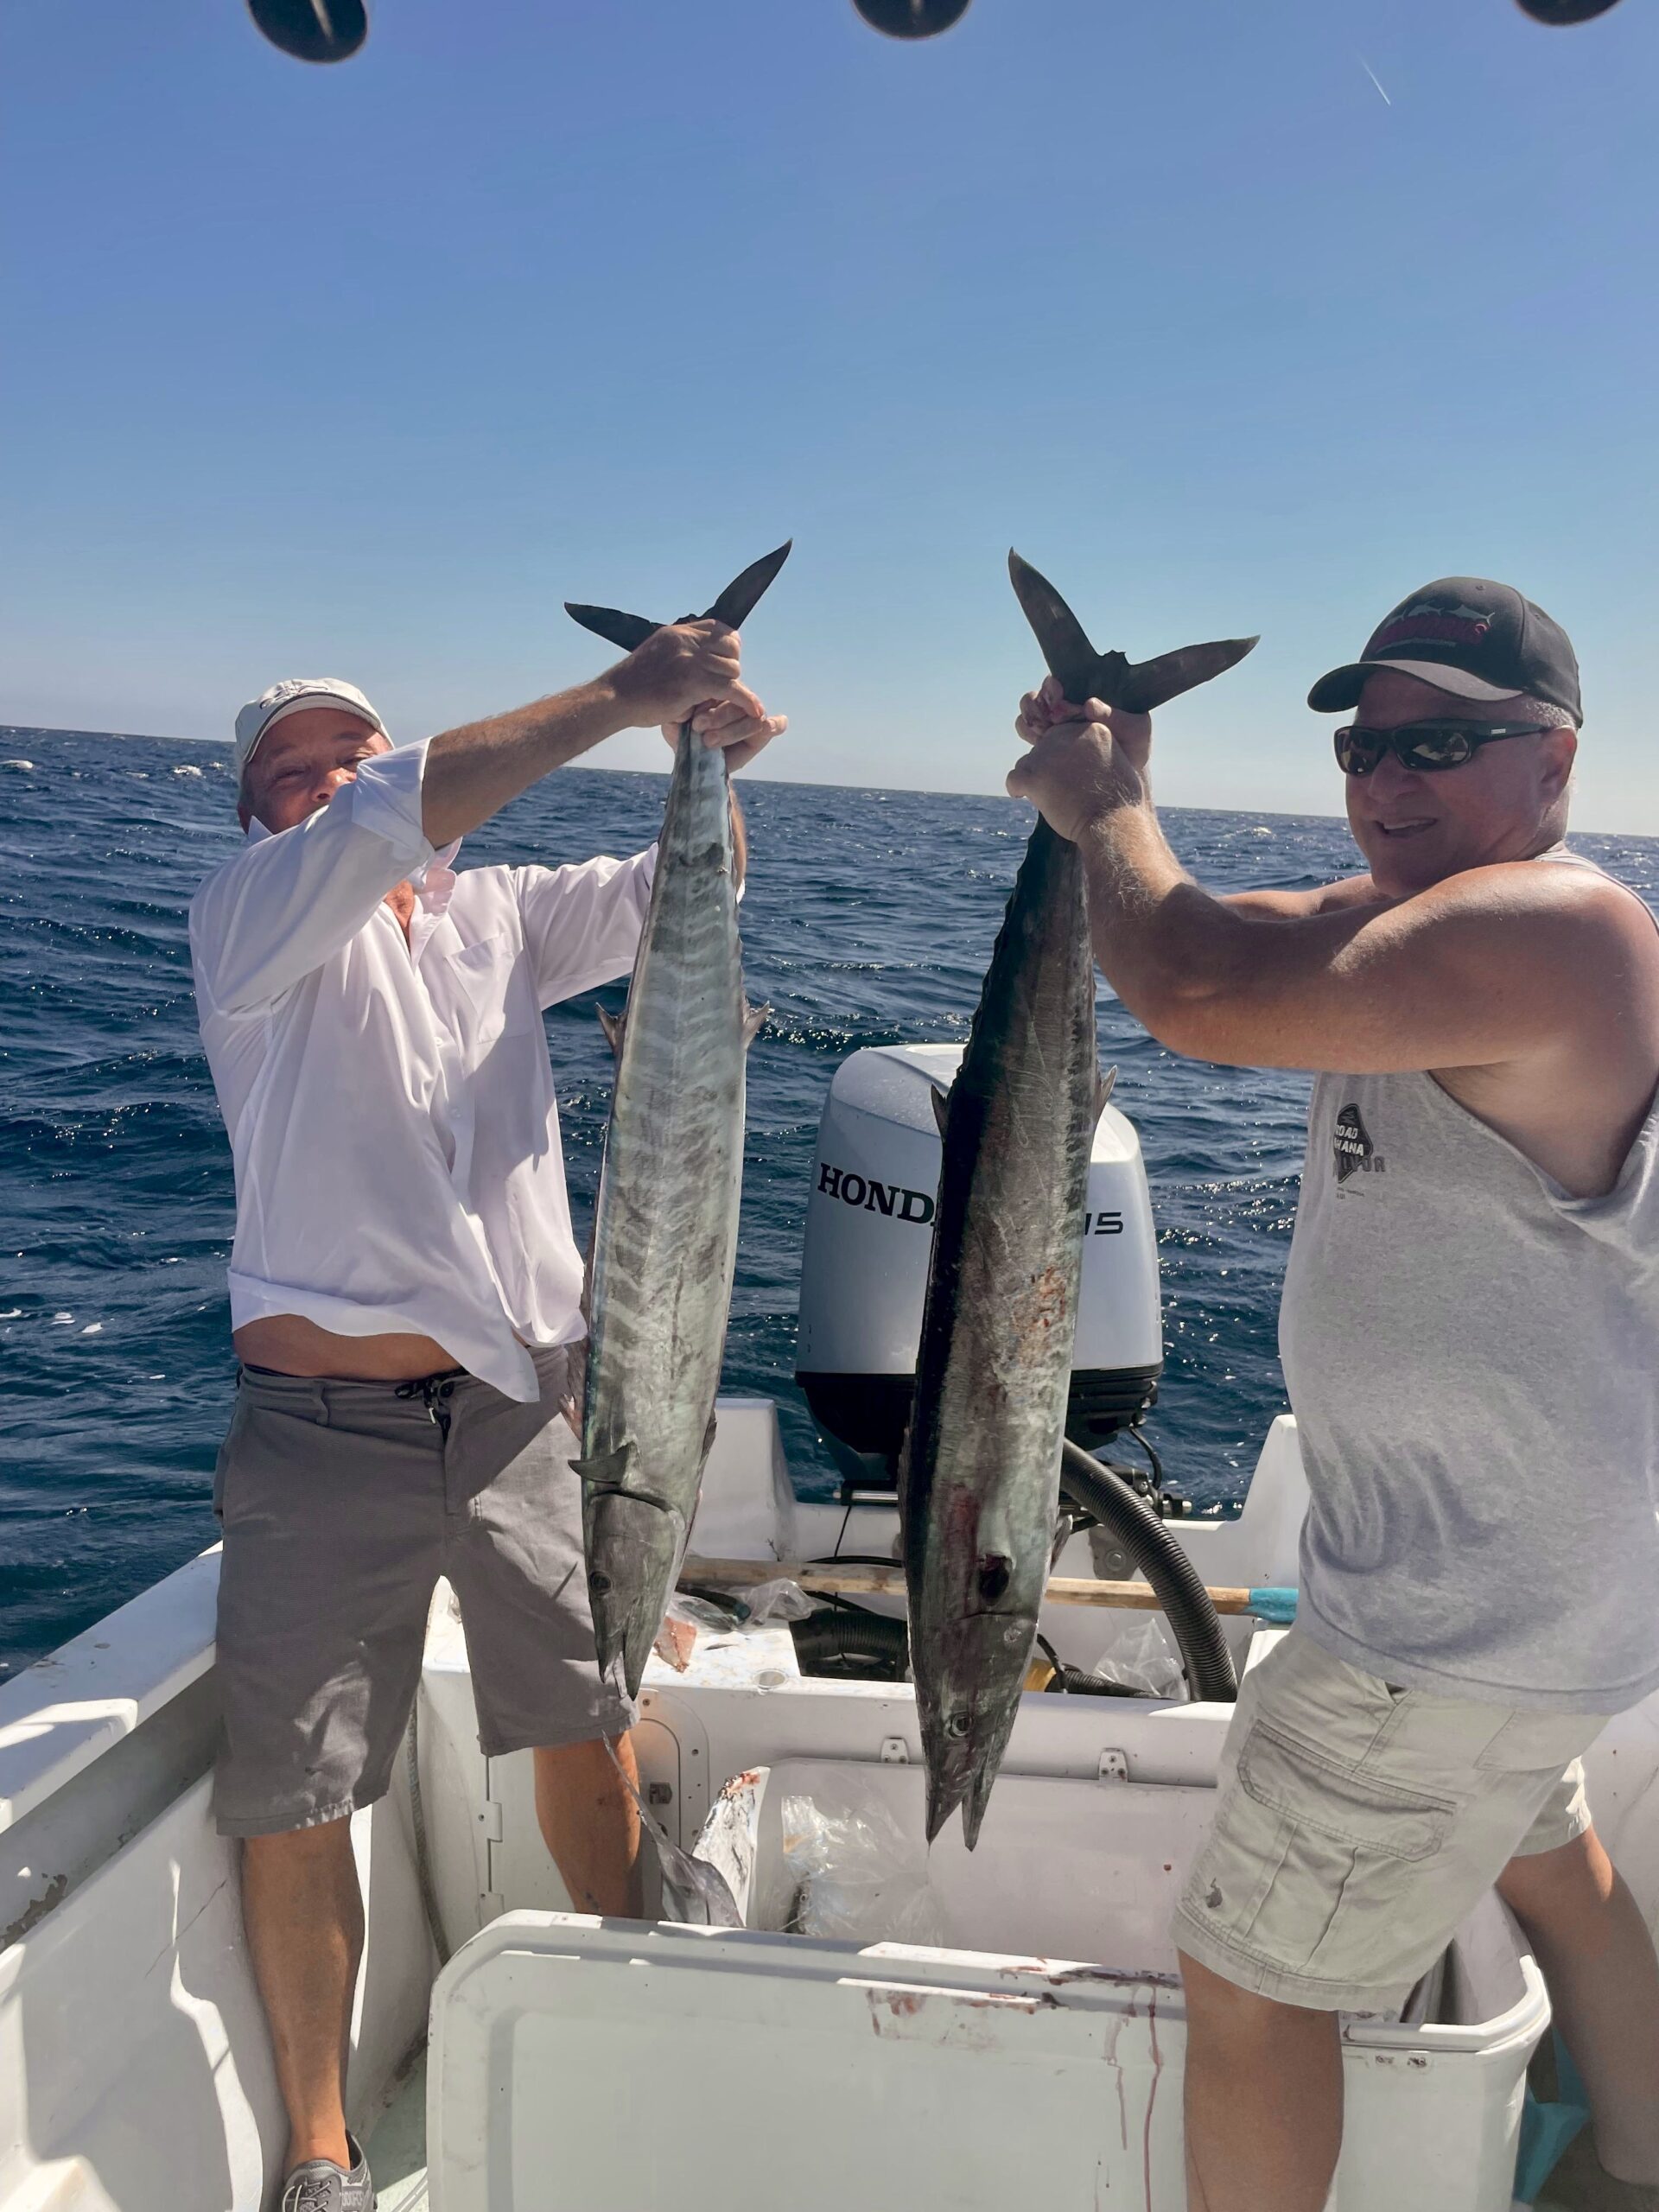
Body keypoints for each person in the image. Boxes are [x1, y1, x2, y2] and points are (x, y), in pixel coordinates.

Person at [1008, 577, 1659, 2212]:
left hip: (1447, 1633)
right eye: (1368, 746)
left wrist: (1110, 805)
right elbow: (1218, 933)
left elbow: (1200, 997)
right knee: (1554, 1865)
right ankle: (1644, 2162)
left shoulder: (1566, 932)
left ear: (1557, 757)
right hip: (1531, 1602)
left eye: (1444, 739)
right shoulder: (1418, 931)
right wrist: (1102, 821)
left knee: (1249, 1986)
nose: (1388, 776)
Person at [189, 619, 785, 2212]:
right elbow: (404, 808)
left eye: (344, 755)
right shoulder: (249, 930)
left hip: (529, 1407)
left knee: (583, 1718)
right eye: (289, 774)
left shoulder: (501, 918)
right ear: (258, 816)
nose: (323, 786)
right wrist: (624, 693)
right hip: (322, 1435)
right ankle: (320, 2149)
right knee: (305, 1788)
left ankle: (633, 1985)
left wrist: (706, 759)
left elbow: (684, 900)